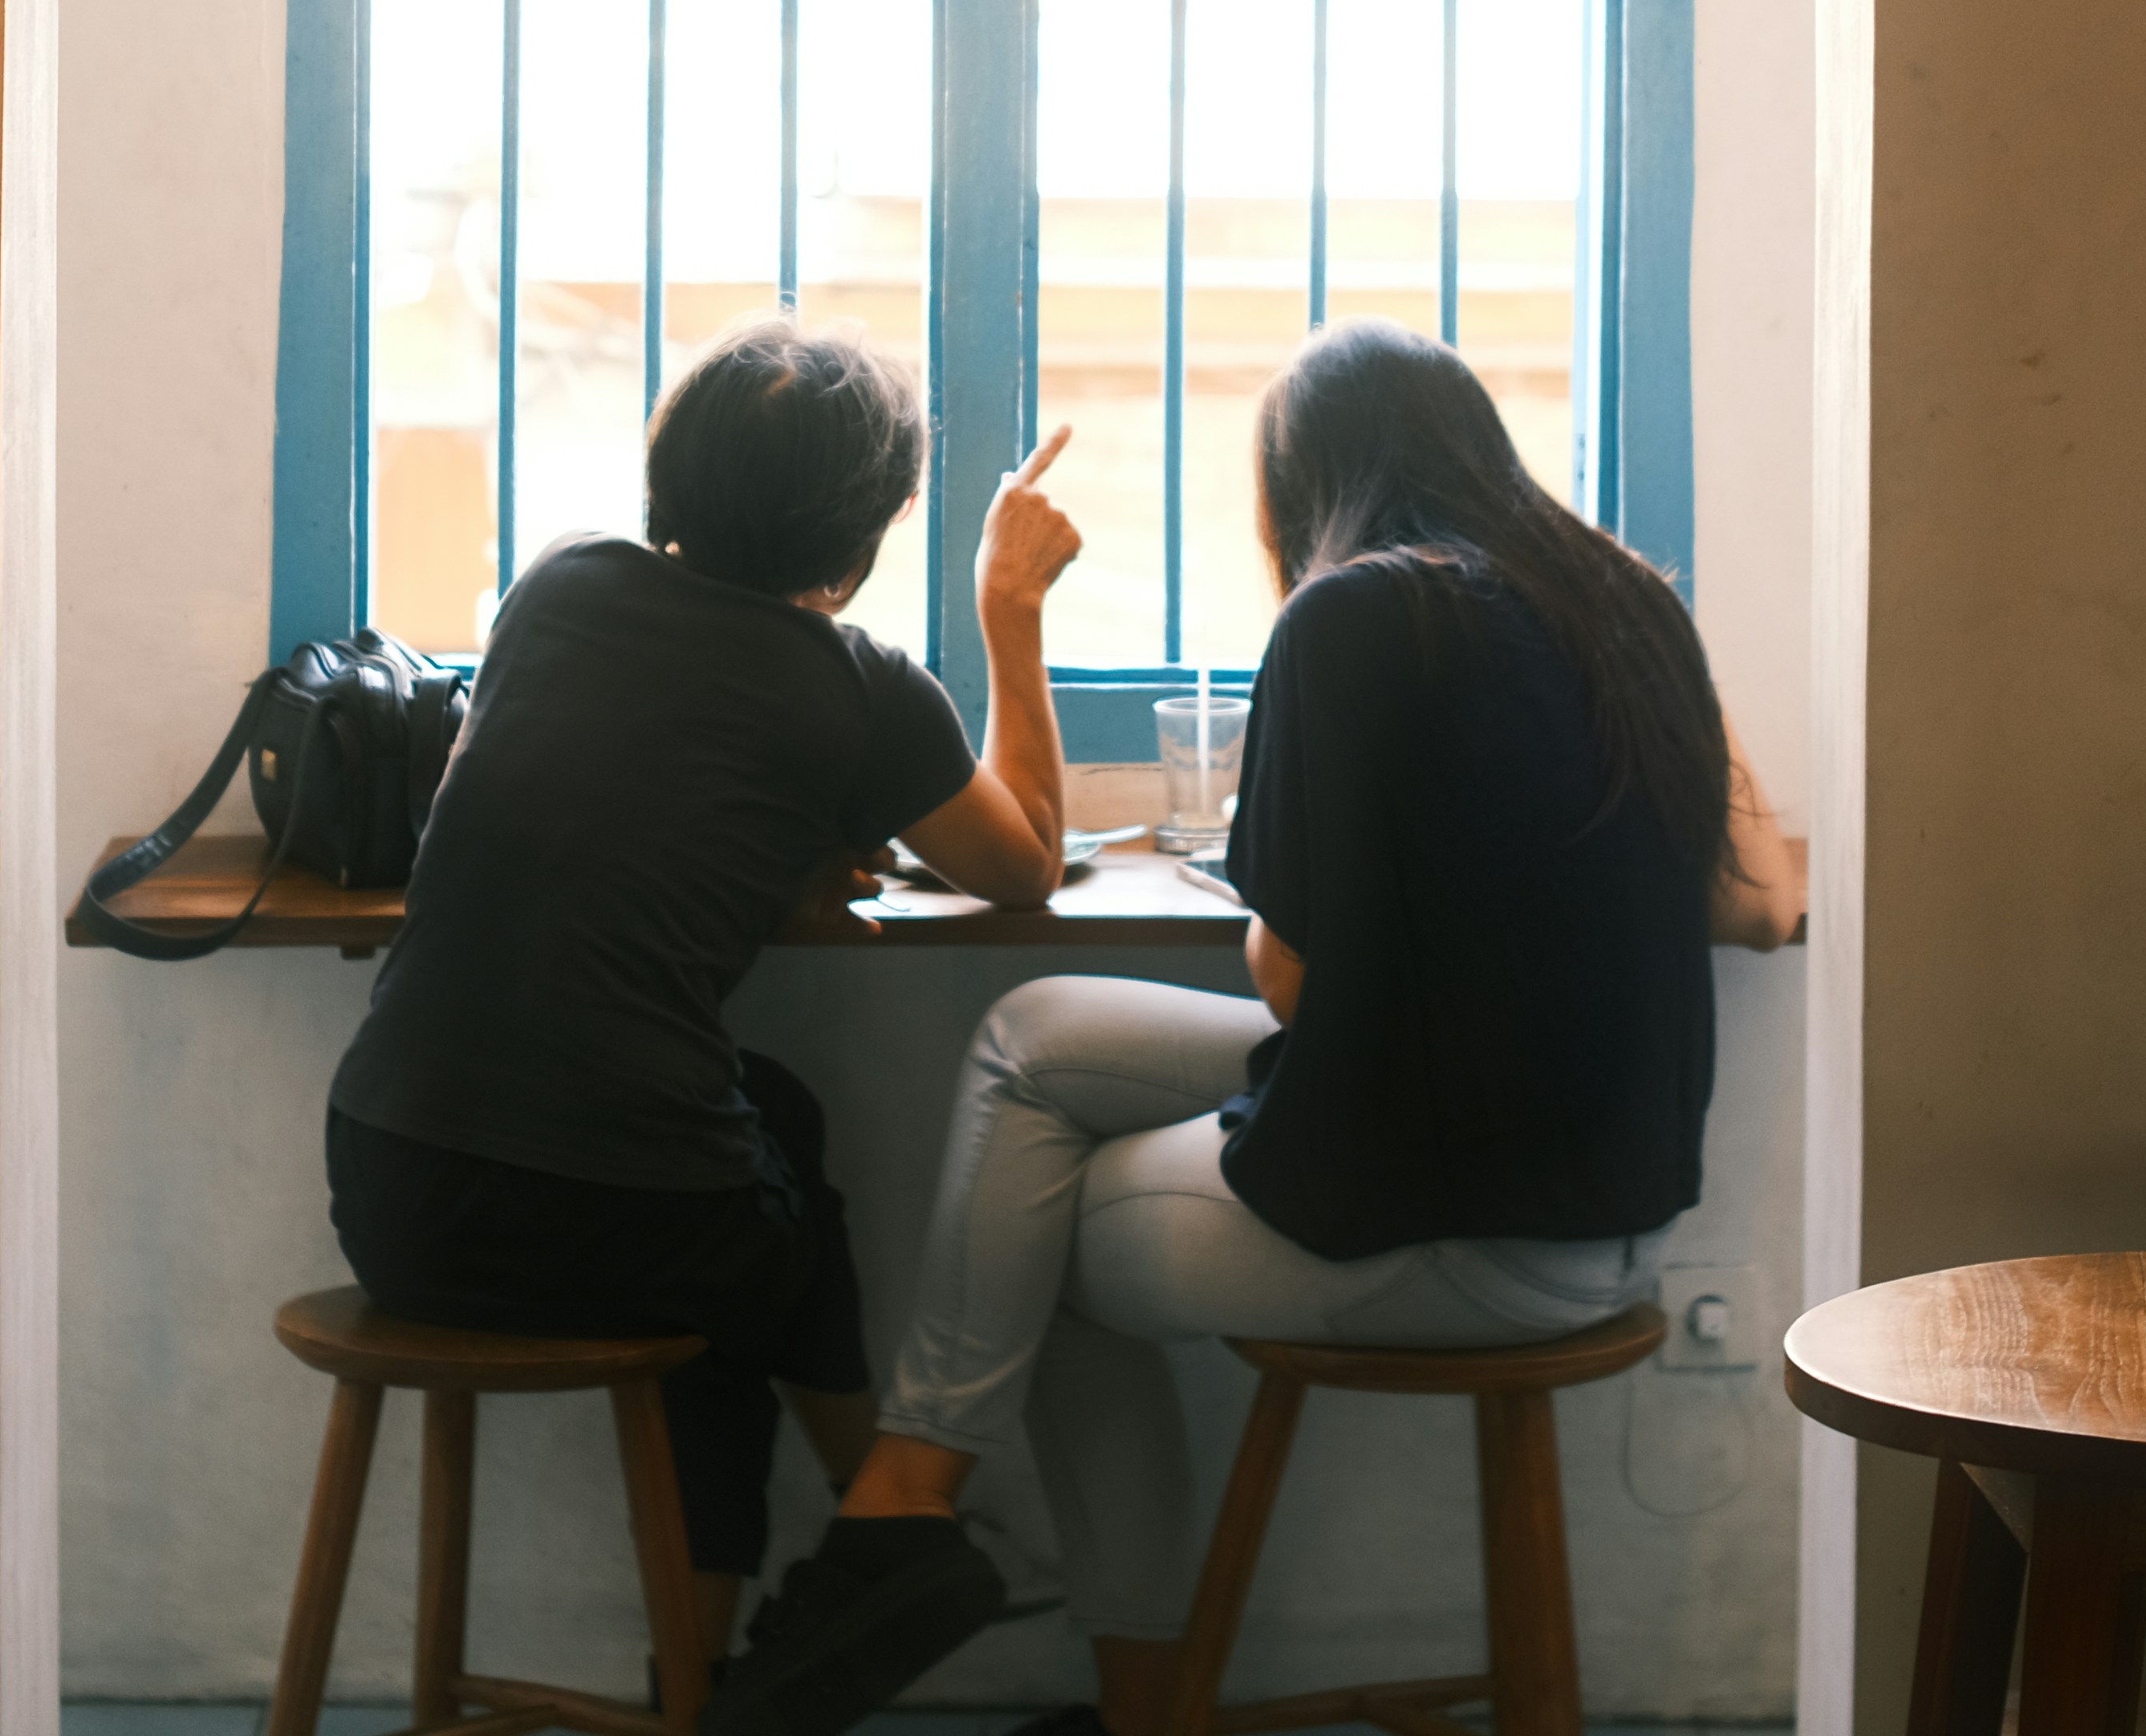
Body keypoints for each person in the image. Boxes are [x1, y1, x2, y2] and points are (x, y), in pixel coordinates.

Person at [704, 319, 1806, 1736]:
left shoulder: (1349, 619)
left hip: (1468, 1230)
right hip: (1614, 1213)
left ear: (1307, 491)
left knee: (1036, 1224)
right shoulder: (1625, 609)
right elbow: (1766, 905)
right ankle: (908, 1515)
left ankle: (1067, 1648)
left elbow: (1290, 981)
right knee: (1033, 1034)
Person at [323, 314, 1081, 1670]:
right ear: (857, 550)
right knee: (739, 1215)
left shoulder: (553, 590)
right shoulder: (856, 691)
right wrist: (1009, 615)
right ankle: (878, 1537)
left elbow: (546, 809)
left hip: (390, 1190)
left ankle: (790, 1612)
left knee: (753, 1143)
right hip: (619, 1212)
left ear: (666, 477)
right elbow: (1023, 864)